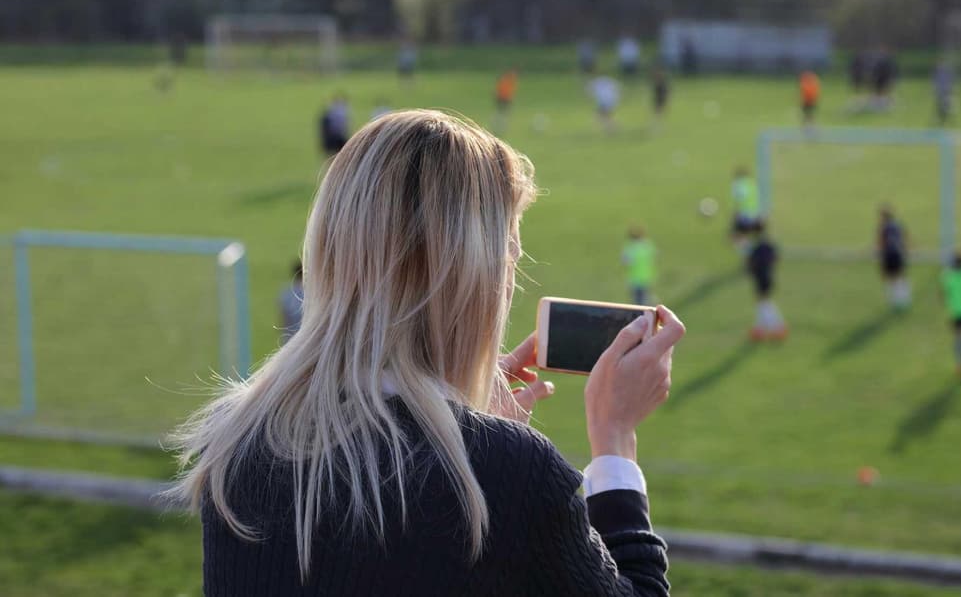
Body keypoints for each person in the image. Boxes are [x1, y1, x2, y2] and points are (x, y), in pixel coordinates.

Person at [173, 110, 685, 596]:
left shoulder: (234, 445)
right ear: (471, 278)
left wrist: (468, 424)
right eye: (510, 259)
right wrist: (614, 439)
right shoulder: (510, 478)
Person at [747, 222, 787, 341]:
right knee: (762, 302)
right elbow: (776, 258)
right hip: (769, 276)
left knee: (764, 303)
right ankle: (760, 329)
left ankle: (777, 327)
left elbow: (752, 264)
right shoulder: (768, 244)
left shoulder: (757, 247)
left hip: (761, 278)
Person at [877, 205, 911, 310]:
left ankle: (894, 300)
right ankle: (904, 300)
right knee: (901, 276)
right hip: (898, 253)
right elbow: (905, 238)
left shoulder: (883, 227)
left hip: (889, 254)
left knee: (890, 278)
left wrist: (879, 253)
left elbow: (881, 242)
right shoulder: (898, 225)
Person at [730, 165, 762, 251]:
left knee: (739, 232)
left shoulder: (738, 184)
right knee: (750, 231)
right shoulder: (751, 183)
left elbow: (739, 198)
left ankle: (746, 248)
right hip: (755, 212)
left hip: (745, 213)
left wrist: (735, 212)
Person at [622, 226, 656, 305]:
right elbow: (654, 256)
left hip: (635, 279)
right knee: (645, 298)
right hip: (647, 277)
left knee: (638, 302)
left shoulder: (630, 248)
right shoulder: (647, 245)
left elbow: (625, 261)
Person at [278, 259, 304, 344]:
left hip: (290, 338)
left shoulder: (286, 293)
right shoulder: (313, 292)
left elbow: (283, 319)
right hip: (308, 337)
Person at [493, 68, 519, 133]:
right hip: (502, 98)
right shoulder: (505, 80)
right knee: (500, 113)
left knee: (504, 114)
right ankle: (497, 127)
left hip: (506, 99)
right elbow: (500, 90)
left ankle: (501, 127)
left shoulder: (512, 81)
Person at [934, 60, 954, 125]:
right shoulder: (938, 74)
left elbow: (949, 82)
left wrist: (949, 90)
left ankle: (946, 119)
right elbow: (936, 83)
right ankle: (941, 118)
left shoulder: (946, 73)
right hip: (940, 92)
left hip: (945, 91)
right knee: (940, 106)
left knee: (946, 105)